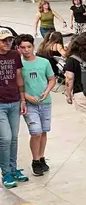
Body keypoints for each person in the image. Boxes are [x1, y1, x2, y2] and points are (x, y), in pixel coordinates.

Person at [18, 34, 55, 176]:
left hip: (45, 102)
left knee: (44, 131)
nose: (26, 50)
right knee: (36, 132)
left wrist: (46, 92)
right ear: (19, 49)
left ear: (33, 47)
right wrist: (26, 97)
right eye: (23, 47)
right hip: (29, 103)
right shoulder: (19, 65)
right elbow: (18, 85)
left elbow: (51, 79)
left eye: (29, 47)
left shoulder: (44, 62)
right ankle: (35, 160)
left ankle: (41, 156)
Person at [0, 31, 29, 188]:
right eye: (4, 40)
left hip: (14, 101)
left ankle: (13, 168)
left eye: (10, 40)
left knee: (14, 138)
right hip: (0, 104)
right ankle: (6, 173)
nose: (8, 42)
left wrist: (22, 98)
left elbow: (19, 77)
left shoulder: (14, 55)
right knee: (5, 138)